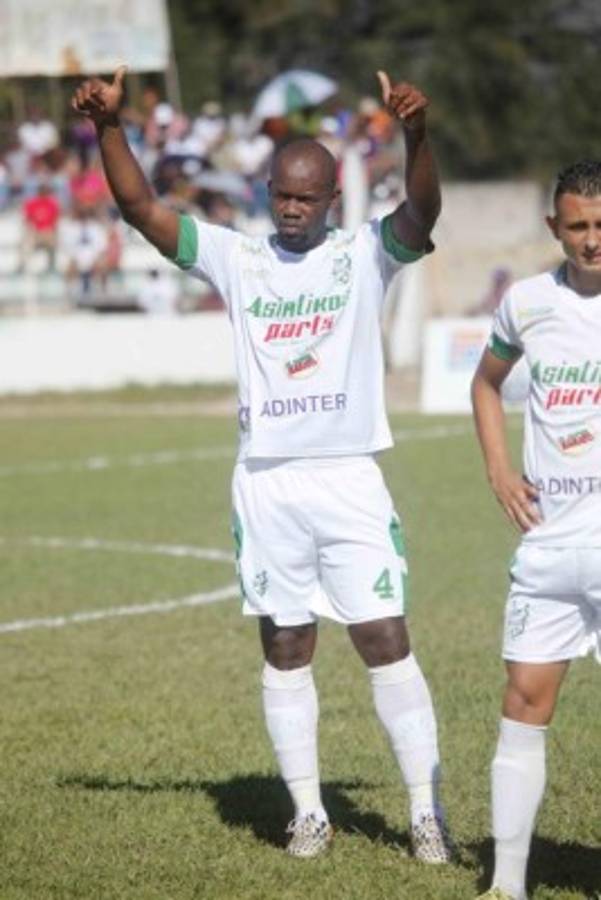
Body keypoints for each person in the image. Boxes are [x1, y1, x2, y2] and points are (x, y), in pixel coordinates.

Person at [72, 66, 453, 863]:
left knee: (384, 636)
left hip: (348, 477)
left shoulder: (363, 256)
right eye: (281, 193)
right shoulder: (236, 259)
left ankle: (423, 811)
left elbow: (421, 212)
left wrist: (415, 135)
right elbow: (143, 209)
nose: (290, 207)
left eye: (305, 198)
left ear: (330, 203)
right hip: (268, 483)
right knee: (285, 645)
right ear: (269, 191)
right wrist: (110, 127)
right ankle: (308, 812)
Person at [471, 160, 601, 900]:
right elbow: (485, 383)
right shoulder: (525, 303)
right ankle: (506, 885)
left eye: (599, 226)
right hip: (548, 547)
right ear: (553, 227)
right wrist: (497, 468)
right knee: (522, 701)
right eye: (576, 226)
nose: (589, 241)